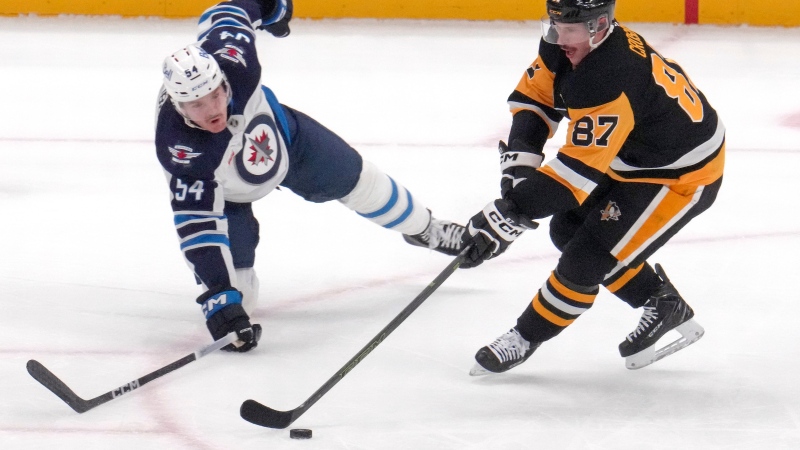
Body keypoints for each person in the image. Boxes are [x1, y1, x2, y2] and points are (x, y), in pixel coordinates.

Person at [155, 0, 465, 352]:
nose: (212, 109)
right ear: (179, 105)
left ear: (223, 80)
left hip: (286, 143)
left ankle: (427, 229)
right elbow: (198, 227)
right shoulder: (181, 149)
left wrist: (274, 9)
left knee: (363, 182)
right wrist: (222, 302)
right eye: (196, 105)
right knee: (241, 299)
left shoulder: (235, 60)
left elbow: (228, 12)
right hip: (227, 198)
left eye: (215, 95)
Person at [461, 0, 724, 374]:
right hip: (632, 157)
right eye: (553, 24)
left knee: (586, 258)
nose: (557, 37)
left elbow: (573, 178)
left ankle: (524, 336)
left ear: (600, 26)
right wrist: (519, 175)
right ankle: (661, 302)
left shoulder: (609, 77)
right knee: (567, 229)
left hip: (680, 175)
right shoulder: (567, 43)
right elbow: (536, 99)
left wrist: (512, 212)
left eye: (569, 28)